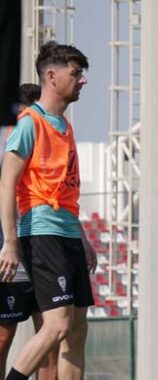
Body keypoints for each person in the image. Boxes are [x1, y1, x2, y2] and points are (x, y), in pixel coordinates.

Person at [0, 41, 96, 380]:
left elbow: (66, 191)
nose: (82, 80)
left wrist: (82, 237)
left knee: (77, 332)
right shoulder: (29, 123)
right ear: (51, 76)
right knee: (57, 326)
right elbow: (6, 182)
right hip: (41, 233)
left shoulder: (65, 127)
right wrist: (10, 243)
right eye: (76, 73)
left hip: (68, 233)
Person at [0, 83, 58, 379]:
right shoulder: (13, 140)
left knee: (49, 342)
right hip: (11, 250)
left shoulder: (52, 142)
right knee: (2, 337)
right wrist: (9, 242)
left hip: (44, 246)